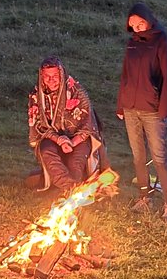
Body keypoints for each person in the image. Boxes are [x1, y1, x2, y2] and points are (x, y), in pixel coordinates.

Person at [116, 2, 167, 221]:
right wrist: (120, 105)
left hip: (152, 109)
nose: (137, 28)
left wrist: (164, 110)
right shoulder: (132, 43)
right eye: (132, 26)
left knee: (159, 157)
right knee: (138, 156)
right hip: (131, 107)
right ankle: (145, 197)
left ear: (148, 20)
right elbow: (125, 75)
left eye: (140, 24)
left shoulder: (162, 41)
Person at [27, 56, 107, 194]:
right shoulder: (36, 95)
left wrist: (71, 142)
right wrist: (59, 139)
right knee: (47, 152)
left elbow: (88, 125)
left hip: (79, 138)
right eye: (47, 76)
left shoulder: (77, 92)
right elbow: (39, 125)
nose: (51, 80)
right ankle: (72, 191)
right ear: (41, 76)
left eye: (55, 76)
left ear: (62, 74)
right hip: (51, 138)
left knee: (74, 163)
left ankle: (68, 193)